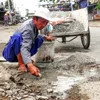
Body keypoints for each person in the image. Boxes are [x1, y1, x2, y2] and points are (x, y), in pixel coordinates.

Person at [2, 7, 55, 77]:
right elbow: (24, 47)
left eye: (46, 23)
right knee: (17, 37)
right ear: (34, 19)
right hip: (10, 54)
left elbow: (30, 39)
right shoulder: (27, 28)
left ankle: (25, 60)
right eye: (42, 22)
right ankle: (21, 63)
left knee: (39, 38)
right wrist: (30, 65)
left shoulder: (34, 26)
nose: (44, 25)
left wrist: (45, 37)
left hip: (20, 52)